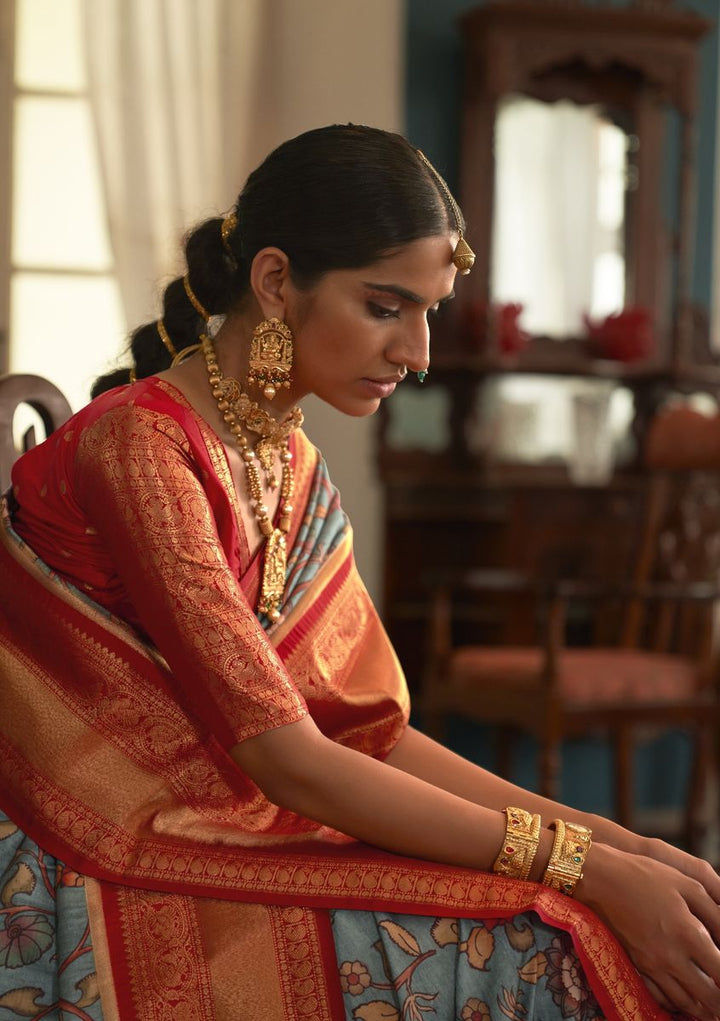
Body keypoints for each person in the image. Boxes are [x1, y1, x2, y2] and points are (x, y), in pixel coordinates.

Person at [0, 124, 718, 1021]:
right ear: (274, 283)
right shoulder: (143, 448)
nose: (417, 352)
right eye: (386, 307)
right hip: (101, 837)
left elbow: (367, 731)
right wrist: (587, 866)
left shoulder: (287, 458)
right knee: (550, 937)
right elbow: (292, 758)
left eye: (428, 313)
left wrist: (616, 845)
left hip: (240, 811)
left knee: (601, 908)